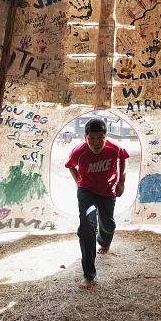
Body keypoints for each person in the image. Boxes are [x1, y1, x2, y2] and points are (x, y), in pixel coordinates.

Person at [65, 117, 129, 290]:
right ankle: (88, 275)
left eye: (100, 137)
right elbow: (70, 166)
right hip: (87, 191)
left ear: (106, 136)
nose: (96, 142)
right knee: (86, 227)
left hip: (108, 191)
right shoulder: (78, 151)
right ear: (85, 137)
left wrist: (121, 181)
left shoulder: (114, 148)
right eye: (91, 138)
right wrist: (78, 181)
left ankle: (105, 240)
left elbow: (124, 157)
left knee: (108, 223)